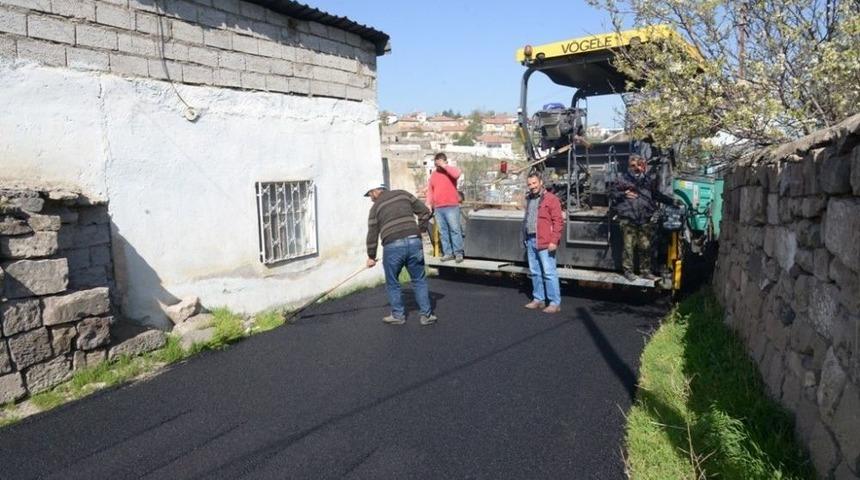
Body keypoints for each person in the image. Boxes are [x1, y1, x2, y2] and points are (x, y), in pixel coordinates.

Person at [365, 183, 437, 326]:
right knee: (419, 280)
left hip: (392, 246)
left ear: (375, 191)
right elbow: (425, 212)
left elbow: (372, 233)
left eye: (370, 195)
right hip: (414, 242)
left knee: (392, 283)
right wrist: (420, 230)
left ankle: (398, 316)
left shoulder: (375, 208)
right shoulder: (403, 194)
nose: (370, 198)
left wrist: (371, 256)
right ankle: (427, 316)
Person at [611, 154, 675, 281]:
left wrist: (672, 201)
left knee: (645, 246)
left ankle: (645, 271)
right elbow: (611, 193)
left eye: (638, 165)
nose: (636, 168)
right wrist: (623, 193)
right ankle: (628, 272)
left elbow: (656, 195)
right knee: (628, 247)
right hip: (628, 218)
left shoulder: (648, 181)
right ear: (629, 166)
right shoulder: (622, 179)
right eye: (633, 165)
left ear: (643, 166)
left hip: (644, 218)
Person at [522, 173, 564, 314]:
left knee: (549, 272)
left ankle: (554, 303)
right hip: (531, 240)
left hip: (545, 241)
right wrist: (525, 237)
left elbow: (558, 221)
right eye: (529, 184)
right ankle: (538, 299)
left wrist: (554, 241)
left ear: (540, 182)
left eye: (534, 183)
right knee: (535, 272)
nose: (532, 186)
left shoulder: (551, 199)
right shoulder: (529, 199)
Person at [426, 152, 464, 262]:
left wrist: (444, 166)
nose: (437, 166)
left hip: (451, 206)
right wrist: (429, 203)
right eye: (436, 164)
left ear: (445, 161)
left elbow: (457, 174)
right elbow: (430, 190)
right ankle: (448, 253)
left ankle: (458, 253)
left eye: (439, 163)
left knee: (455, 230)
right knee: (443, 232)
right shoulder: (434, 175)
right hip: (439, 208)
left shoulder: (451, 171)